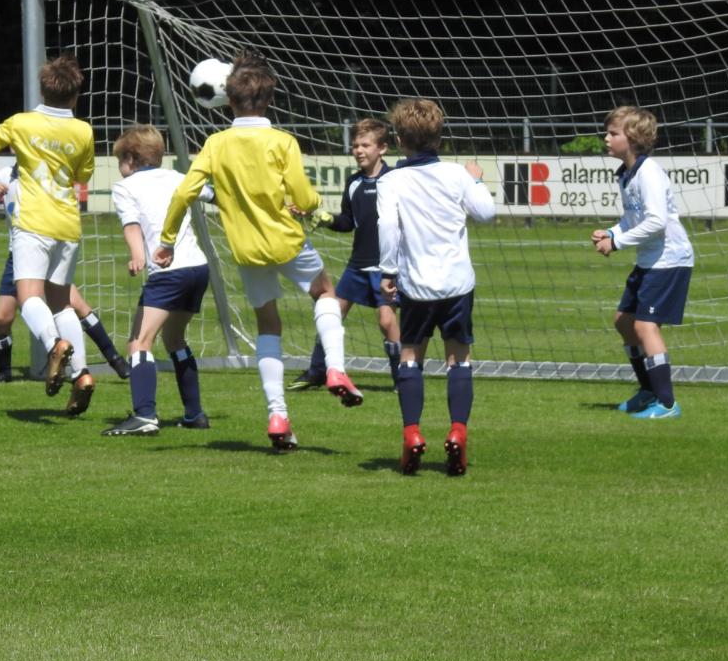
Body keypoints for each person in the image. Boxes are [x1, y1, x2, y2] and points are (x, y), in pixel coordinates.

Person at [153, 50, 362, 452]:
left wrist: (166, 240)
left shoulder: (216, 143)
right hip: (286, 240)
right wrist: (313, 201)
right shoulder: (282, 141)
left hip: (246, 251)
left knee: (269, 326)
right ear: (269, 98)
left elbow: (185, 192)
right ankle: (335, 369)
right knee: (325, 293)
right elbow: (303, 195)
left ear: (228, 100)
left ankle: (277, 415)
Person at [0, 52, 95, 411]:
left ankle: (53, 347)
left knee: (29, 297)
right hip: (68, 223)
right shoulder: (83, 130)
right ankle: (82, 375)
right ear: (75, 95)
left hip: (33, 223)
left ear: (42, 90)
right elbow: (83, 177)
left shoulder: (21, 123)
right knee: (61, 304)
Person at [377, 98, 495, 476]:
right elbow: (487, 213)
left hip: (418, 286)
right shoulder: (457, 175)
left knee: (410, 354)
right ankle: (458, 432)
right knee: (459, 358)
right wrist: (475, 178)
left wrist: (388, 271)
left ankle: (412, 433)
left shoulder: (392, 180)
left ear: (398, 139)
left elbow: (387, 228)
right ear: (439, 139)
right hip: (458, 284)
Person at [0, 165, 128, 395]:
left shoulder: (44, 168)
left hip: (47, 249)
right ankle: (4, 371)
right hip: (19, 254)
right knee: (2, 318)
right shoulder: (6, 174)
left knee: (77, 305)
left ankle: (114, 360)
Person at [104, 124, 213, 435]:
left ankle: (145, 416)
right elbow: (214, 195)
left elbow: (131, 225)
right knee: (174, 340)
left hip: (168, 272)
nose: (120, 169)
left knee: (139, 342)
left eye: (119, 161)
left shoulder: (125, 187)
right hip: (198, 269)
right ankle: (194, 414)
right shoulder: (179, 177)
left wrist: (138, 254)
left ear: (130, 157)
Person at [591, 105, 694, 420]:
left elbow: (656, 222)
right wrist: (612, 231)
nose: (606, 138)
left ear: (633, 138)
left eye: (613, 133)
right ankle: (648, 390)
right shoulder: (627, 174)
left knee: (644, 326)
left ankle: (666, 403)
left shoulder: (649, 172)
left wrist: (617, 243)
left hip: (669, 259)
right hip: (652, 260)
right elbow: (633, 218)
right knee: (624, 322)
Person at [290, 117, 401, 391]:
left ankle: (404, 377)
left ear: (382, 148)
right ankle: (317, 371)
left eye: (365, 145)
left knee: (387, 321)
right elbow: (348, 223)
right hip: (357, 266)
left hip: (386, 267)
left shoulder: (395, 180)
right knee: (332, 311)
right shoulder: (353, 183)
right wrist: (326, 218)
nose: (359, 150)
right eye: (355, 146)